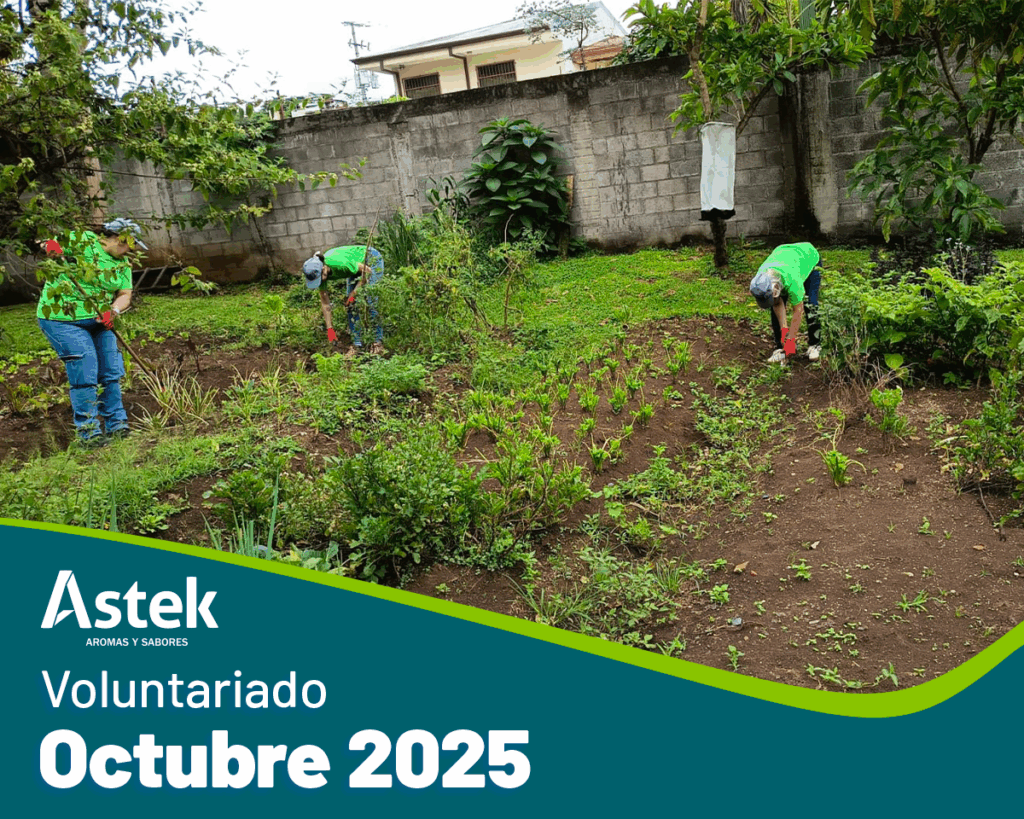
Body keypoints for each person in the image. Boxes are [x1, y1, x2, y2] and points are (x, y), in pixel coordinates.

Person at [36, 218, 146, 447]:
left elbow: (125, 294)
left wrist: (113, 310)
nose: (133, 249)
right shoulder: (84, 240)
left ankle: (117, 425)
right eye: (132, 243)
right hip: (62, 320)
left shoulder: (122, 264)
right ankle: (89, 433)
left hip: (100, 321)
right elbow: (46, 243)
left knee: (110, 372)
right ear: (121, 237)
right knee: (85, 373)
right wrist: (51, 247)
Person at [301, 245, 385, 356]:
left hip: (370, 259)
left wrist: (354, 293)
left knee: (371, 301)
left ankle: (378, 342)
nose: (321, 281)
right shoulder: (321, 273)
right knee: (351, 305)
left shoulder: (338, 263)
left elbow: (367, 271)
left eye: (320, 278)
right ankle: (357, 345)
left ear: (323, 268)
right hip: (355, 265)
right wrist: (330, 329)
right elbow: (325, 303)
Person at [749, 242, 822, 363]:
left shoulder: (792, 281)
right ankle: (779, 347)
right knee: (774, 308)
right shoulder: (760, 280)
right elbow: (777, 303)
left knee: (811, 304)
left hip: (808, 257)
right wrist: (784, 331)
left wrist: (791, 339)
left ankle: (815, 344)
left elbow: (798, 310)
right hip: (784, 254)